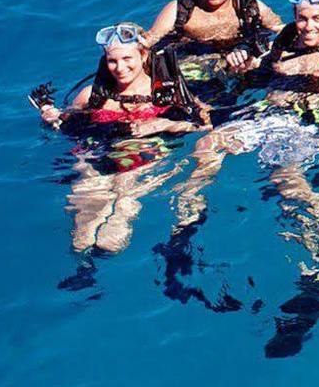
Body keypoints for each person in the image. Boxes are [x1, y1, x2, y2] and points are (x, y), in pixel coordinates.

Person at [170, 0, 319, 226]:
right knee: (207, 143)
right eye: (302, 18)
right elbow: (248, 70)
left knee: (284, 173)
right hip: (266, 115)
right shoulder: (278, 48)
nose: (308, 26)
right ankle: (192, 199)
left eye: (316, 18)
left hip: (305, 122)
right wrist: (237, 63)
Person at [33, 23, 210, 255]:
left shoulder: (169, 92)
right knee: (85, 202)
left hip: (144, 152)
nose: (120, 68)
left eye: (128, 58)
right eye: (112, 61)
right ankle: (84, 267)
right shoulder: (91, 95)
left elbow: (204, 124)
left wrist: (165, 124)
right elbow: (68, 123)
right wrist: (52, 117)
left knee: (125, 195)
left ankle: (110, 242)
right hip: (97, 151)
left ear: (143, 54)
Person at [144, 0, 282, 102]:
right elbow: (149, 43)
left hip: (240, 65)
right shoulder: (178, 10)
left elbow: (283, 33)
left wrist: (253, 51)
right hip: (196, 67)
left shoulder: (252, 7)